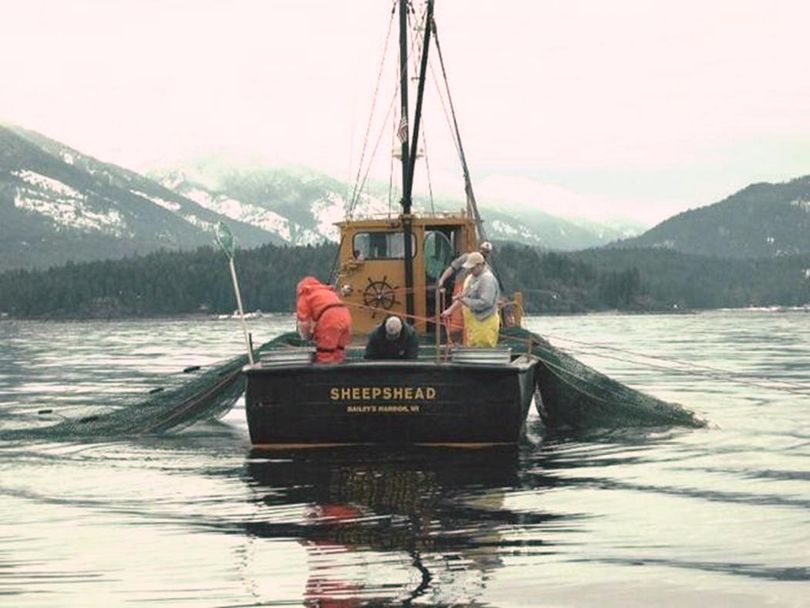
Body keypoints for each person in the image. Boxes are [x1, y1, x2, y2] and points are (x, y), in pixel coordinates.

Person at [437, 241, 493, 344]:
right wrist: (442, 280)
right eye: (482, 250)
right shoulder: (466, 258)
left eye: (486, 252)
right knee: (455, 327)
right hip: (459, 291)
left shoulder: (487, 271)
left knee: (469, 327)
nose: (483, 253)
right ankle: (453, 345)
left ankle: (465, 347)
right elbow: (452, 268)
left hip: (471, 299)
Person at [296, 276, 352, 363]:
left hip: (330, 319)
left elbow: (303, 323)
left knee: (325, 354)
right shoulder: (327, 291)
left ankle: (325, 374)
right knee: (339, 351)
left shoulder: (305, 294)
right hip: (345, 315)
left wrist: (306, 337)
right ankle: (341, 372)